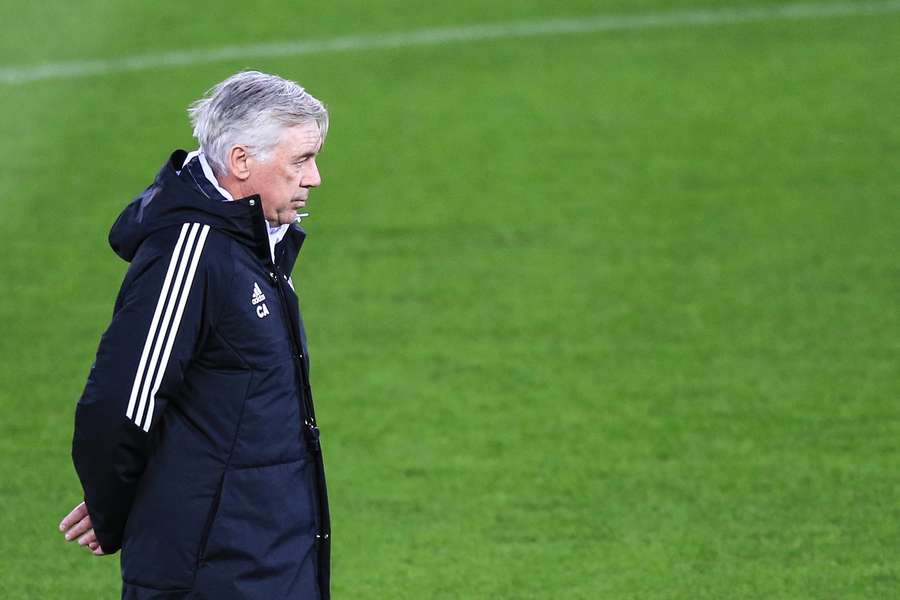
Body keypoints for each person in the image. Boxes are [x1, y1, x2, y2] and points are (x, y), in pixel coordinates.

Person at [58, 70, 332, 599]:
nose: (314, 177)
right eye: (301, 160)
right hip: (211, 569)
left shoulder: (253, 244)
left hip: (267, 555)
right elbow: (121, 403)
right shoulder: (194, 252)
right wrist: (114, 510)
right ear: (241, 162)